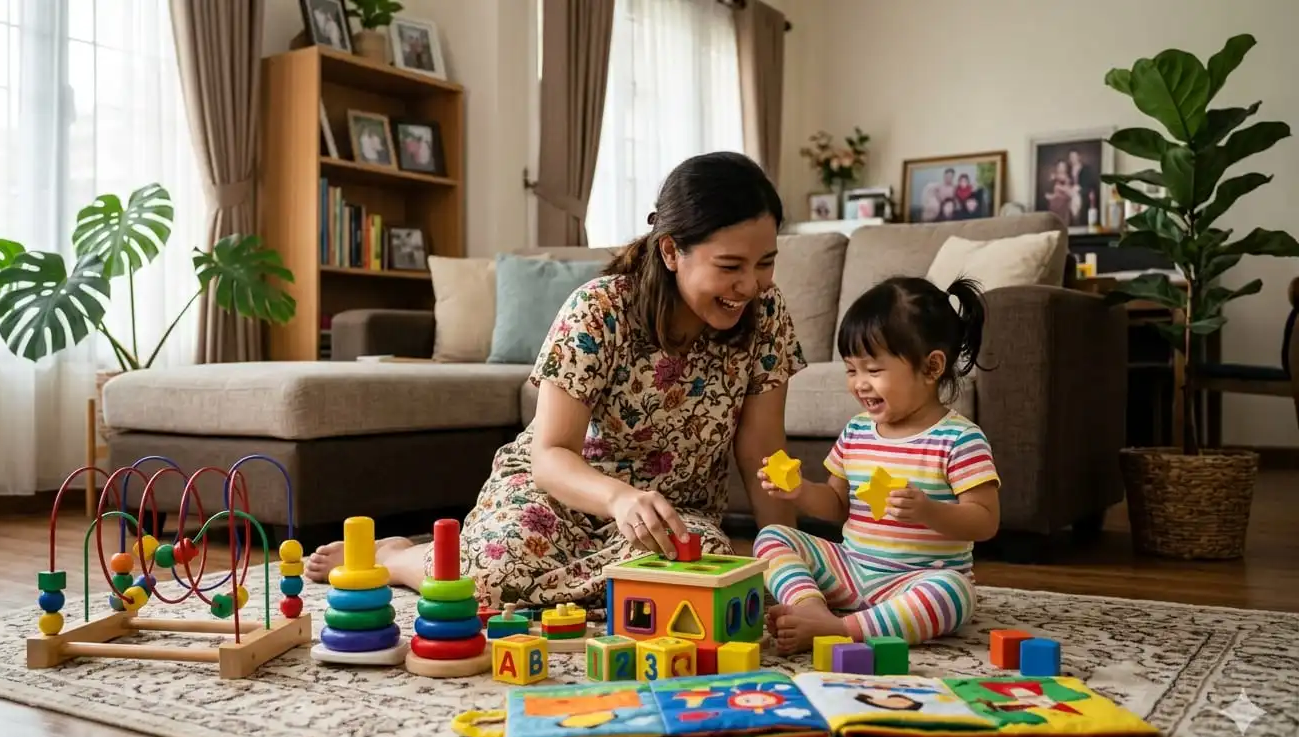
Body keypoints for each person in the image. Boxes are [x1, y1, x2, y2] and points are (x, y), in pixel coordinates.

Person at [304, 151, 807, 611]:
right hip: (560, 494)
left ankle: (578, 586)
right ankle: (398, 558)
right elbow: (551, 455)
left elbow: (762, 456)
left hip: (668, 512)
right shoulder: (599, 309)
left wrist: (789, 568)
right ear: (672, 251)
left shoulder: (766, 314)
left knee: (705, 570)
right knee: (487, 578)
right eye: (730, 266)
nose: (751, 285)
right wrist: (618, 497)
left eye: (765, 263)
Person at [752, 275, 1000, 655]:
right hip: (852, 569)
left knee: (954, 594)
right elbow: (836, 506)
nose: (859, 384)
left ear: (932, 367)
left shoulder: (960, 439)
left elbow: (985, 521)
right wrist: (800, 492)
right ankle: (811, 610)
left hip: (916, 579)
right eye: (852, 370)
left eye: (874, 370)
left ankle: (841, 628)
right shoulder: (856, 431)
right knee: (773, 536)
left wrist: (927, 510)